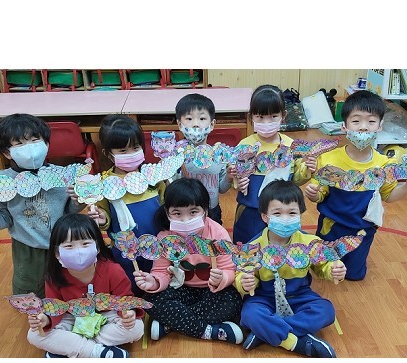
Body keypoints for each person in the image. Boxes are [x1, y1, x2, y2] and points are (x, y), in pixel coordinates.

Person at [304, 90, 407, 281]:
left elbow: (388, 196)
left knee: (354, 275)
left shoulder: (384, 164)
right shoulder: (328, 159)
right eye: (356, 121)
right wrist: (313, 194)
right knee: (323, 270)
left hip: (362, 229)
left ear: (380, 127)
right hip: (332, 225)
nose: (363, 127)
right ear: (344, 126)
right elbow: (320, 194)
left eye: (371, 121)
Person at [0, 113, 84, 298]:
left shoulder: (62, 175)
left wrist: (77, 201)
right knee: (29, 291)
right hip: (27, 247)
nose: (30, 148)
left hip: (64, 243)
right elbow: (2, 216)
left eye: (35, 140)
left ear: (46, 144)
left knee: (68, 286)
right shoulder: (1, 181)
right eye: (19, 143)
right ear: (7, 152)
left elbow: (69, 211)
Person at [235, 180, 346, 358]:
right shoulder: (253, 248)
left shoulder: (310, 242)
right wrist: (245, 282)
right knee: (250, 314)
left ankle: (267, 332)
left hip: (300, 296)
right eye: (277, 213)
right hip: (265, 298)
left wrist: (333, 269)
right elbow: (241, 275)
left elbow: (323, 265)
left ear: (301, 213)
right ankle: (295, 342)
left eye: (292, 212)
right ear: (265, 217)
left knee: (326, 310)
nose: (285, 219)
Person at [133, 178, 243, 345]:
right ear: (167, 212)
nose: (185, 220)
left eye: (193, 212)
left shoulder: (218, 233)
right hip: (181, 289)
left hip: (211, 290)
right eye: (177, 213)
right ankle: (210, 331)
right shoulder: (165, 237)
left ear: (205, 210)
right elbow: (161, 272)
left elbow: (229, 268)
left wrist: (223, 278)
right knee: (151, 301)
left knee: (233, 302)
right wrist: (154, 282)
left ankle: (173, 322)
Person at [26, 213, 144, 358]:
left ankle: (74, 348)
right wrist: (45, 319)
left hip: (105, 316)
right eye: (69, 246)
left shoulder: (113, 270)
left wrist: (129, 313)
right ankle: (99, 352)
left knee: (137, 328)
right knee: (34, 335)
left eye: (85, 244)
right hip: (72, 317)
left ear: (97, 247)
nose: (78, 251)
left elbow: (125, 300)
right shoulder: (54, 276)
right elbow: (54, 308)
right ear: (57, 253)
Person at [231, 84, 316, 244]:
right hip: (250, 210)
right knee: (247, 247)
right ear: (251, 117)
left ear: (283, 116)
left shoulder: (291, 146)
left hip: (281, 212)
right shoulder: (244, 146)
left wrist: (307, 169)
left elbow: (295, 179)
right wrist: (235, 179)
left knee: (281, 247)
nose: (267, 122)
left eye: (273, 116)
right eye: (260, 117)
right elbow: (236, 178)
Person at [92, 114, 165, 292]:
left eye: (135, 148)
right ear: (108, 154)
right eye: (123, 151)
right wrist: (102, 219)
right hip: (125, 251)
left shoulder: (153, 177)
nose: (131, 154)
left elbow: (166, 205)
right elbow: (104, 215)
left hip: (157, 245)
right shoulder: (104, 184)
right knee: (131, 285)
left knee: (158, 280)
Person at [175, 93, 233, 225]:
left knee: (213, 237)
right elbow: (172, 186)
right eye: (189, 119)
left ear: (212, 124)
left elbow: (222, 189)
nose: (195, 124)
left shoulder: (218, 156)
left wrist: (228, 177)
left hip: (212, 210)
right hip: (185, 212)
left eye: (202, 118)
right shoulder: (176, 155)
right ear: (179, 124)